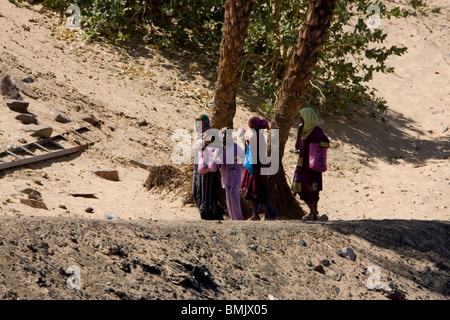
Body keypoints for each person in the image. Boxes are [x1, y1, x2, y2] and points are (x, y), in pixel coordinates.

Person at [291, 107, 330, 221]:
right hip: (302, 164)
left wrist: (314, 147)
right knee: (300, 188)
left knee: (312, 188)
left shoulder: (316, 130)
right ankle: (313, 211)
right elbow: (297, 146)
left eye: (302, 117)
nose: (301, 119)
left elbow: (325, 143)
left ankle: (313, 213)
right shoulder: (302, 129)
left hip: (312, 165)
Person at [192, 114, 224, 220]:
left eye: (200, 123)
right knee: (197, 190)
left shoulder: (210, 132)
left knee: (208, 191)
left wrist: (204, 143)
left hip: (208, 167)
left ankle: (211, 213)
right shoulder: (201, 134)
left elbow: (214, 146)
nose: (197, 125)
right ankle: (206, 211)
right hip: (199, 166)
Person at [240, 116, 269, 221]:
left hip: (255, 168)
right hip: (260, 166)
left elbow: (252, 152)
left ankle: (256, 214)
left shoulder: (255, 137)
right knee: (261, 190)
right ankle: (266, 214)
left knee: (250, 190)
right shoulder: (259, 136)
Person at [219, 128, 243, 220]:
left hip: (235, 172)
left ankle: (238, 217)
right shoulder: (221, 148)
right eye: (223, 134)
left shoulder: (235, 146)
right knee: (228, 195)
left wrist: (237, 159)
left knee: (234, 194)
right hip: (225, 174)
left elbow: (242, 158)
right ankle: (232, 217)